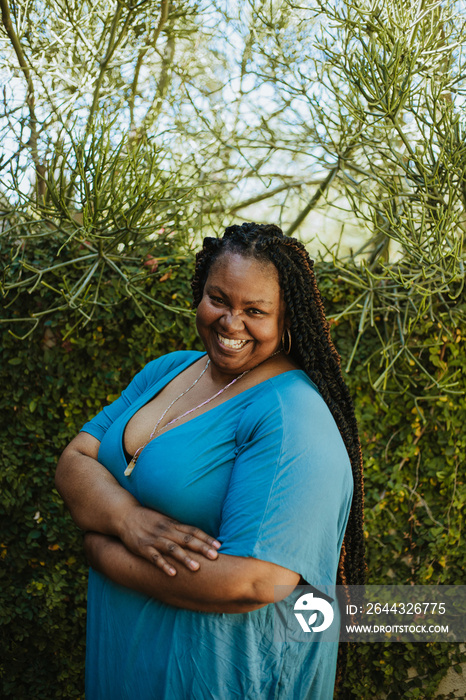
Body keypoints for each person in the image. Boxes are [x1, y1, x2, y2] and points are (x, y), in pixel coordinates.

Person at [55, 222, 365, 700]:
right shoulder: (169, 369)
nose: (231, 322)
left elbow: (256, 580)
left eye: (255, 311)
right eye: (218, 299)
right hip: (127, 661)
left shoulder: (290, 414)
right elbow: (76, 458)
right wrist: (126, 518)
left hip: (219, 677)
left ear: (288, 319)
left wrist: (104, 552)